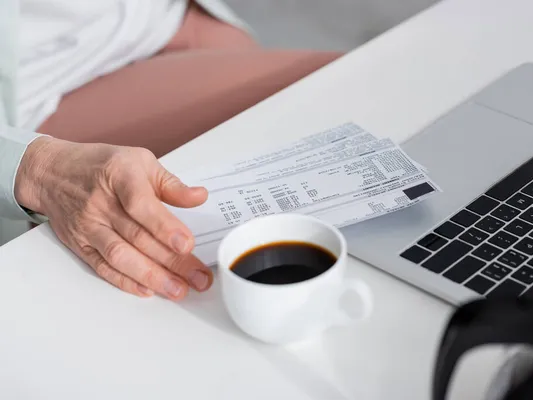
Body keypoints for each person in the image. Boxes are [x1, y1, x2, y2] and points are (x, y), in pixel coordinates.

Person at [0, 1, 341, 301]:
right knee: (331, 90)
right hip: (38, 95)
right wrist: (38, 169)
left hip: (162, 18)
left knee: (344, 109)